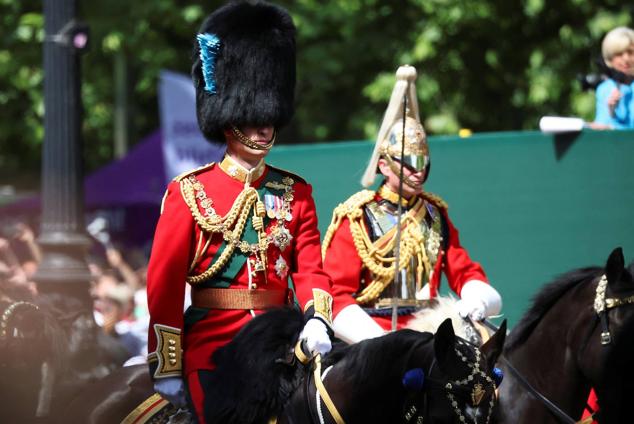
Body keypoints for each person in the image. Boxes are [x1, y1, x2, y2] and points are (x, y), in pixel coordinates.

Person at [146, 2, 334, 422]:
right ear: (230, 119)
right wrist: (167, 365)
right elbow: (165, 288)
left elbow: (310, 270)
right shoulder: (189, 192)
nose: (264, 127)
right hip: (214, 345)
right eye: (253, 117)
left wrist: (318, 319)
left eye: (269, 117)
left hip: (286, 342)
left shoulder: (295, 191)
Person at [322, 65, 502, 344]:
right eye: (409, 163)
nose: (417, 172)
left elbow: (463, 270)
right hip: (370, 335)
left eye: (422, 164)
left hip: (429, 332)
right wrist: (375, 339)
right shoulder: (357, 217)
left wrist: (476, 296)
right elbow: (336, 291)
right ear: (384, 165)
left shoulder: (435, 214)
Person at [594, 26, 634, 129]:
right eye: (619, 54)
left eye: (630, 52)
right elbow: (602, 127)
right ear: (610, 58)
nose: (626, 59)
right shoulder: (604, 89)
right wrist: (611, 112)